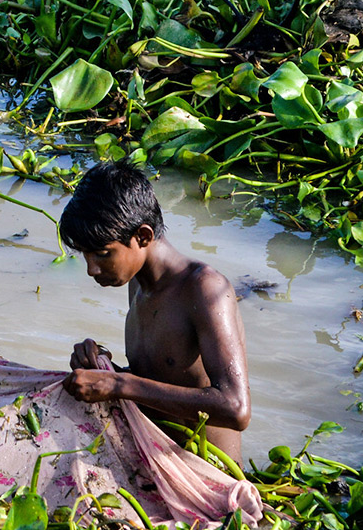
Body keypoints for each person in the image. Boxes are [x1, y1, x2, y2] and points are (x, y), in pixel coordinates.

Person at [59, 160, 252, 461]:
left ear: (143, 237)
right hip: (155, 455)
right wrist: (103, 370)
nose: (91, 269)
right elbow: (161, 380)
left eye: (102, 254)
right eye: (86, 255)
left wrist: (119, 384)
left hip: (209, 473)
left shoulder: (205, 289)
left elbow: (236, 409)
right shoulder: (136, 284)